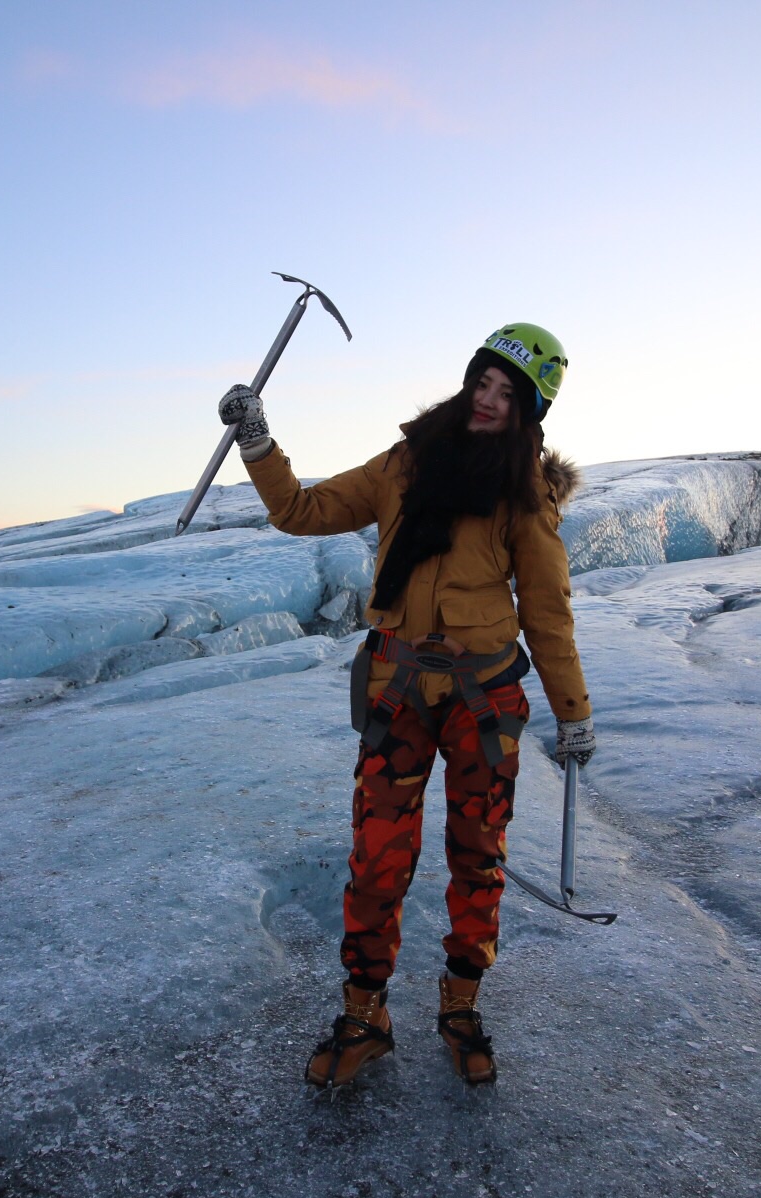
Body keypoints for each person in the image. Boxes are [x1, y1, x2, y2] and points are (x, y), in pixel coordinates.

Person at [217, 323, 596, 1089]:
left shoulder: (524, 494)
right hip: (397, 690)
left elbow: (547, 609)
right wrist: (258, 443)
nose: (489, 402)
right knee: (377, 860)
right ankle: (365, 1014)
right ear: (468, 382)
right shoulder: (403, 464)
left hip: (483, 700)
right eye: (482, 383)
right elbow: (302, 510)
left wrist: (573, 709)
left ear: (529, 412)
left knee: (478, 858)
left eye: (508, 394)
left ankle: (460, 1006)